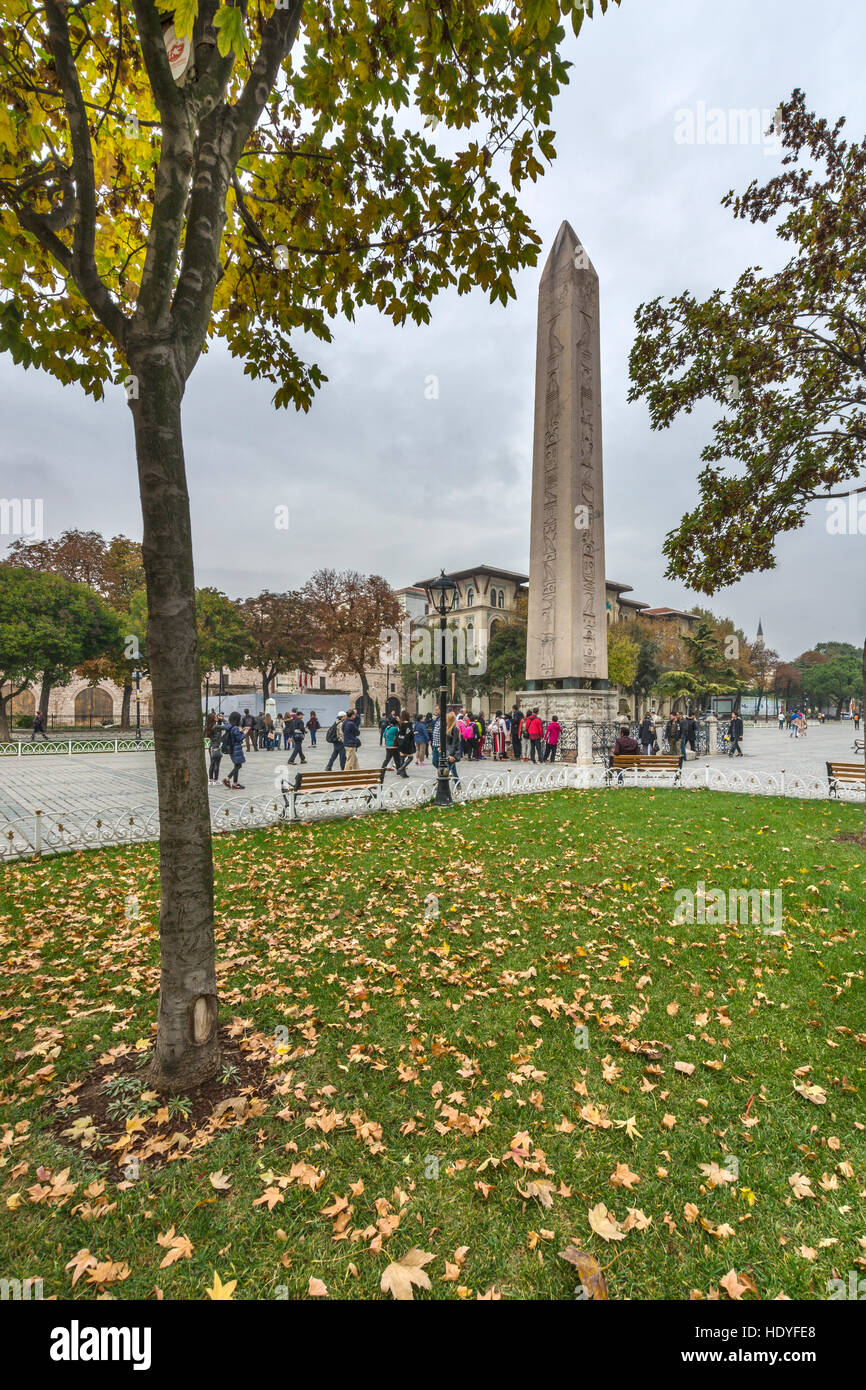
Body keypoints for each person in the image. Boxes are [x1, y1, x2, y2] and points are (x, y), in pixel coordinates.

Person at [222, 711, 246, 788]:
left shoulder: (229, 726)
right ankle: (227, 779)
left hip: (231, 748)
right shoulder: (235, 727)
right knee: (238, 765)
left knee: (237, 765)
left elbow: (233, 736)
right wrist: (244, 733)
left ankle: (235, 783)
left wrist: (240, 732)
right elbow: (239, 739)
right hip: (236, 748)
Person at [445, 710, 462, 787]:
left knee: (448, 769)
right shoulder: (448, 728)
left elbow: (454, 743)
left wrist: (451, 755)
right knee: (453, 770)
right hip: (448, 752)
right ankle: (458, 785)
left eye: (446, 719)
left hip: (452, 753)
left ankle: (442, 784)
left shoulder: (454, 729)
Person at [207, 717, 223, 784]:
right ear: (213, 719)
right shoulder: (216, 726)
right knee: (217, 764)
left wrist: (219, 721)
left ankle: (210, 780)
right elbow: (227, 726)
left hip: (211, 747)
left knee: (212, 763)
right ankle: (215, 780)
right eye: (216, 717)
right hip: (216, 746)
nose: (218, 717)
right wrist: (222, 719)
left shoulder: (209, 726)